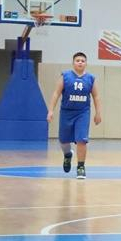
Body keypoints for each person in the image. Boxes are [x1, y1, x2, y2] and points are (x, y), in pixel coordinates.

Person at [46, 51, 101, 179]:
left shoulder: (91, 78)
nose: (80, 62)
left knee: (82, 140)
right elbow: (56, 93)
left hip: (83, 113)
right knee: (63, 140)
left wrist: (98, 113)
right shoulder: (65, 76)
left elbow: (96, 96)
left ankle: (81, 167)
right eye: (78, 60)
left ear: (86, 63)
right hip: (67, 112)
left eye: (82, 61)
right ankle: (67, 154)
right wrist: (50, 110)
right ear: (73, 63)